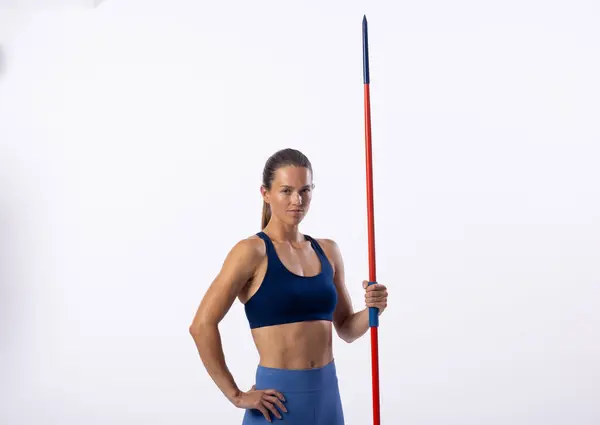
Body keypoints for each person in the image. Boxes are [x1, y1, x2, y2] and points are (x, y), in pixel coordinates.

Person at [189, 148, 389, 424]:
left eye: (305, 191)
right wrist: (235, 395)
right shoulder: (250, 252)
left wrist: (372, 309)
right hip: (277, 403)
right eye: (286, 191)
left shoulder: (327, 250)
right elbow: (201, 325)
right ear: (265, 193)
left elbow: (346, 330)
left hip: (327, 395)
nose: (297, 200)